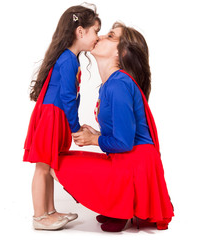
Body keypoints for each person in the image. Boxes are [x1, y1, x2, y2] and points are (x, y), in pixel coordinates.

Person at [52, 22, 174, 232]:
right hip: (129, 162)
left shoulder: (118, 84)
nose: (100, 37)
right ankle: (119, 207)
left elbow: (125, 143)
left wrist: (93, 140)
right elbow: (127, 135)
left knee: (56, 164)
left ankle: (120, 207)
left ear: (122, 52)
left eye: (110, 36)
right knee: (61, 159)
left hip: (134, 166)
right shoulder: (113, 83)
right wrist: (98, 134)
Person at [23, 4, 101, 230]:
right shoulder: (68, 59)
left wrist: (72, 124)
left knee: (47, 166)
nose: (97, 36)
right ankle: (40, 216)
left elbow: (70, 98)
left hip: (55, 116)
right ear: (80, 31)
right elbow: (68, 97)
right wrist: (75, 127)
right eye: (95, 31)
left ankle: (49, 211)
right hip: (52, 115)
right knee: (42, 167)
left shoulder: (70, 58)